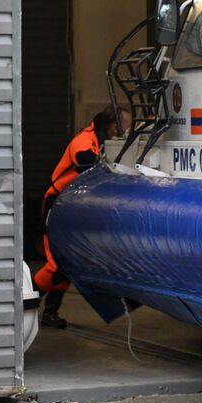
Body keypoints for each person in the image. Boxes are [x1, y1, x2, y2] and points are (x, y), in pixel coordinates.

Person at [33, 106, 130, 328]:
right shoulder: (84, 140)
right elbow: (88, 166)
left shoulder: (104, 141)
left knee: (68, 262)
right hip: (56, 204)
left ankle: (50, 312)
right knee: (55, 266)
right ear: (113, 125)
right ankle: (25, 303)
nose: (126, 131)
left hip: (75, 204)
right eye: (125, 126)